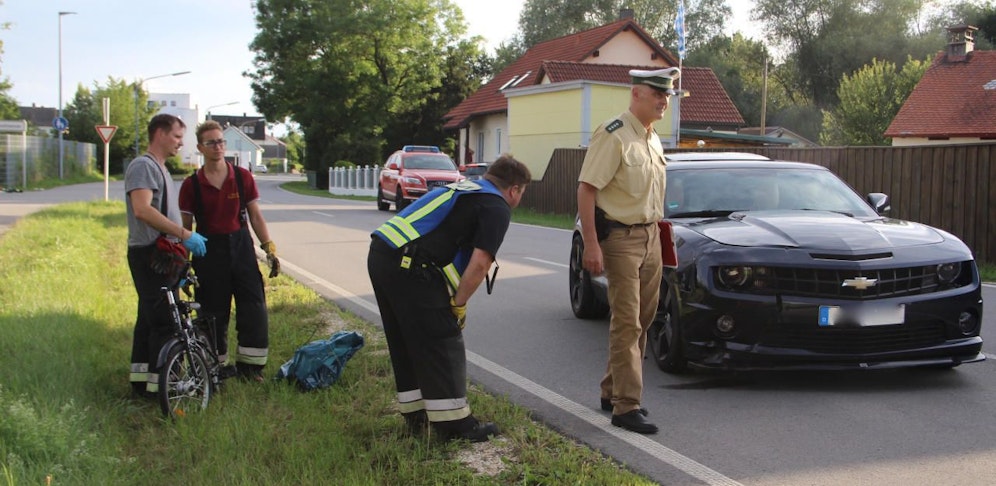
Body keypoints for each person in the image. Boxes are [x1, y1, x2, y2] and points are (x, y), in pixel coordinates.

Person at [367, 154, 531, 442]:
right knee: (443, 338)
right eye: (522, 193)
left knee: (406, 340)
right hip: (410, 266)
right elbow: (480, 264)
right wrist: (458, 305)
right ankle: (456, 424)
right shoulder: (496, 206)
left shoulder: (463, 188)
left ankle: (417, 416)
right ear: (514, 189)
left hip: (383, 255)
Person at [576, 67, 679, 435]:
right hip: (620, 239)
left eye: (666, 96)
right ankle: (626, 406)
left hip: (651, 236)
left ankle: (612, 389)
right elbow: (587, 189)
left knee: (646, 318)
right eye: (657, 94)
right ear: (637, 94)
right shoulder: (614, 134)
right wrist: (591, 242)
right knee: (627, 321)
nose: (664, 101)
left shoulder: (652, 139)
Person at [178, 120, 280, 382]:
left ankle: (251, 368)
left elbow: (255, 216)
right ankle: (214, 369)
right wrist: (182, 265)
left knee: (253, 307)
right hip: (209, 255)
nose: (218, 147)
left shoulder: (242, 177)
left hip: (241, 249)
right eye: (211, 142)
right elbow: (185, 229)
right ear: (201, 147)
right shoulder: (192, 185)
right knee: (212, 313)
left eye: (221, 141)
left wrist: (268, 247)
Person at [125, 113, 208, 397]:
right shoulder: (143, 166)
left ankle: (143, 383)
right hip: (150, 254)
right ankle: (164, 386)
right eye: (176, 137)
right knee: (164, 322)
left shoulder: (159, 168)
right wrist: (185, 235)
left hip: (162, 255)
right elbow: (142, 209)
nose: (180, 144)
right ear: (159, 134)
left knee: (149, 319)